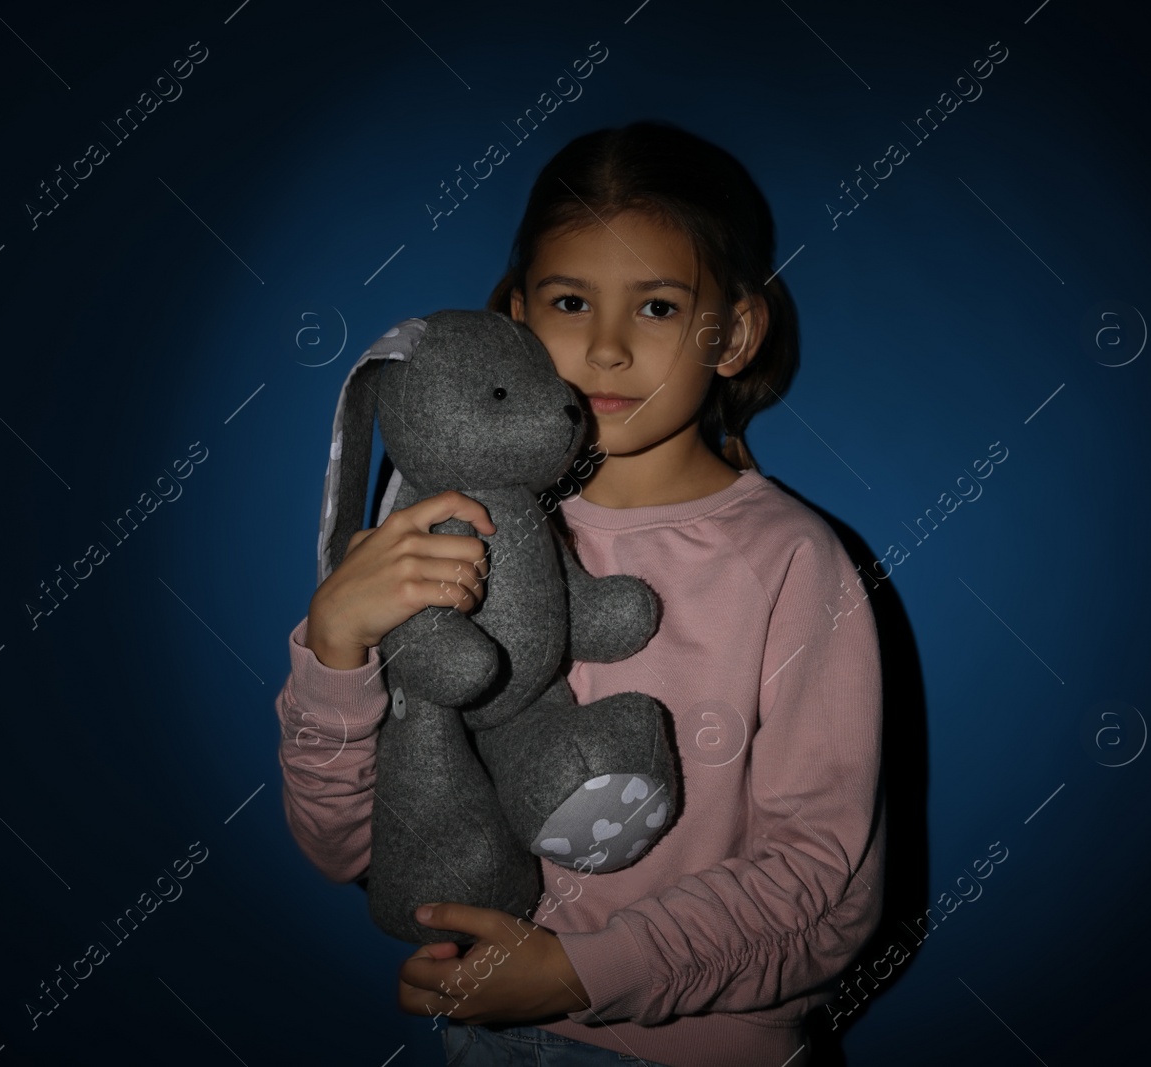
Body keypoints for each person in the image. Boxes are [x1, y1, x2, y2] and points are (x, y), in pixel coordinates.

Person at [275, 121, 885, 1067]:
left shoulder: (794, 563)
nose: (603, 349)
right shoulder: (438, 536)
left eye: (655, 308)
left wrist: (582, 969)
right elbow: (342, 848)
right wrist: (337, 647)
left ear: (734, 332)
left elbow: (825, 884)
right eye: (569, 300)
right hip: (492, 1040)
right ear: (516, 320)